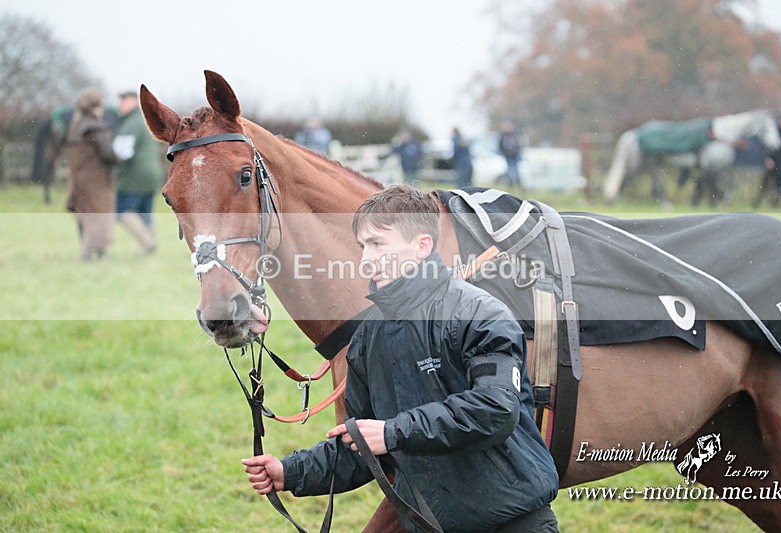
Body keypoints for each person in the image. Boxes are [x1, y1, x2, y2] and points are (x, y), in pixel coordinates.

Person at [242, 185, 560, 532]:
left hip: (512, 522)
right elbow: (364, 443)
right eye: (363, 246)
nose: (366, 259)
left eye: (378, 244)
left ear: (423, 246)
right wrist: (290, 472)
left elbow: (495, 409)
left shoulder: (480, 314)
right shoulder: (366, 339)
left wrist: (393, 432)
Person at [63, 89, 118, 262]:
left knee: (85, 216)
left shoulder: (74, 128)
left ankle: (96, 251)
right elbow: (108, 154)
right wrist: (121, 156)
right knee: (98, 217)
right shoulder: (97, 128)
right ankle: (89, 253)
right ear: (96, 108)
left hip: (77, 179)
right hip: (96, 181)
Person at [113, 90, 165, 254]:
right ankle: (151, 242)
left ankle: (147, 242)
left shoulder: (132, 123)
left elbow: (122, 151)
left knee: (121, 210)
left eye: (123, 100)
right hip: (153, 174)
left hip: (135, 175)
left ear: (134, 102)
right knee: (144, 211)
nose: (120, 105)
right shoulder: (146, 120)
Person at [753, 113, 781, 208]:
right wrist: (768, 158)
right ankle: (758, 204)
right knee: (767, 184)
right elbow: (769, 147)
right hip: (775, 163)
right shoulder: (774, 133)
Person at [498, 120, 523, 188]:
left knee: (513, 170)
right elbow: (500, 145)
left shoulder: (514, 134)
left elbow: (519, 144)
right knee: (511, 170)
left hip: (514, 155)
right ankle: (513, 184)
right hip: (508, 155)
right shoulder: (503, 135)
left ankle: (516, 183)